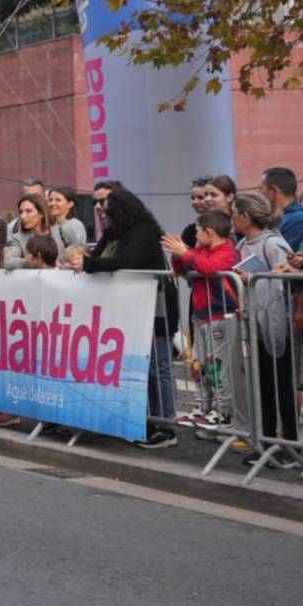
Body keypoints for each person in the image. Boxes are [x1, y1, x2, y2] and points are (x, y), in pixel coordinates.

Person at [70, 185, 180, 449]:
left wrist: (89, 264)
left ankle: (166, 426)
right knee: (141, 368)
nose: (103, 215)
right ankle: (145, 419)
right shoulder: (112, 233)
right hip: (128, 311)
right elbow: (97, 258)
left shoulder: (143, 232)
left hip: (156, 309)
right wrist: (85, 263)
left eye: (108, 210)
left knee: (158, 368)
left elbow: (127, 260)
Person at [230, 192, 299, 468]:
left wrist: (253, 279)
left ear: (246, 216)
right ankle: (268, 441)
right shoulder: (244, 243)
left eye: (235, 212)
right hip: (254, 322)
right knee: (263, 386)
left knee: (280, 385)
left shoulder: (272, 243)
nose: (232, 218)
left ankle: (291, 445)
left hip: (275, 323)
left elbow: (281, 282)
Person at [162, 210, 242, 431]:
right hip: (201, 315)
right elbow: (182, 269)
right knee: (200, 363)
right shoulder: (201, 250)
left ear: (208, 232)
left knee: (219, 367)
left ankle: (223, 411)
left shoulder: (229, 251)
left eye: (197, 232)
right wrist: (178, 254)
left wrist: (186, 254)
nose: (195, 237)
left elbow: (209, 267)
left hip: (221, 316)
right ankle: (203, 407)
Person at [260, 167, 303, 251]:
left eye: (261, 188)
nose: (259, 193)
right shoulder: (271, 216)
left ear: (274, 190)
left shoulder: (298, 219)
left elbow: (282, 253)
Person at [4, 194, 51, 269]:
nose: (23, 216)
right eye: (21, 212)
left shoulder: (59, 231)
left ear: (41, 213)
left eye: (28, 211)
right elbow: (8, 262)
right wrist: (28, 262)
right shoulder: (18, 237)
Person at [46, 187, 88, 252]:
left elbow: (79, 252)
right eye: (50, 200)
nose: (52, 203)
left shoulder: (74, 225)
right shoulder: (50, 226)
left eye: (58, 200)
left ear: (70, 204)